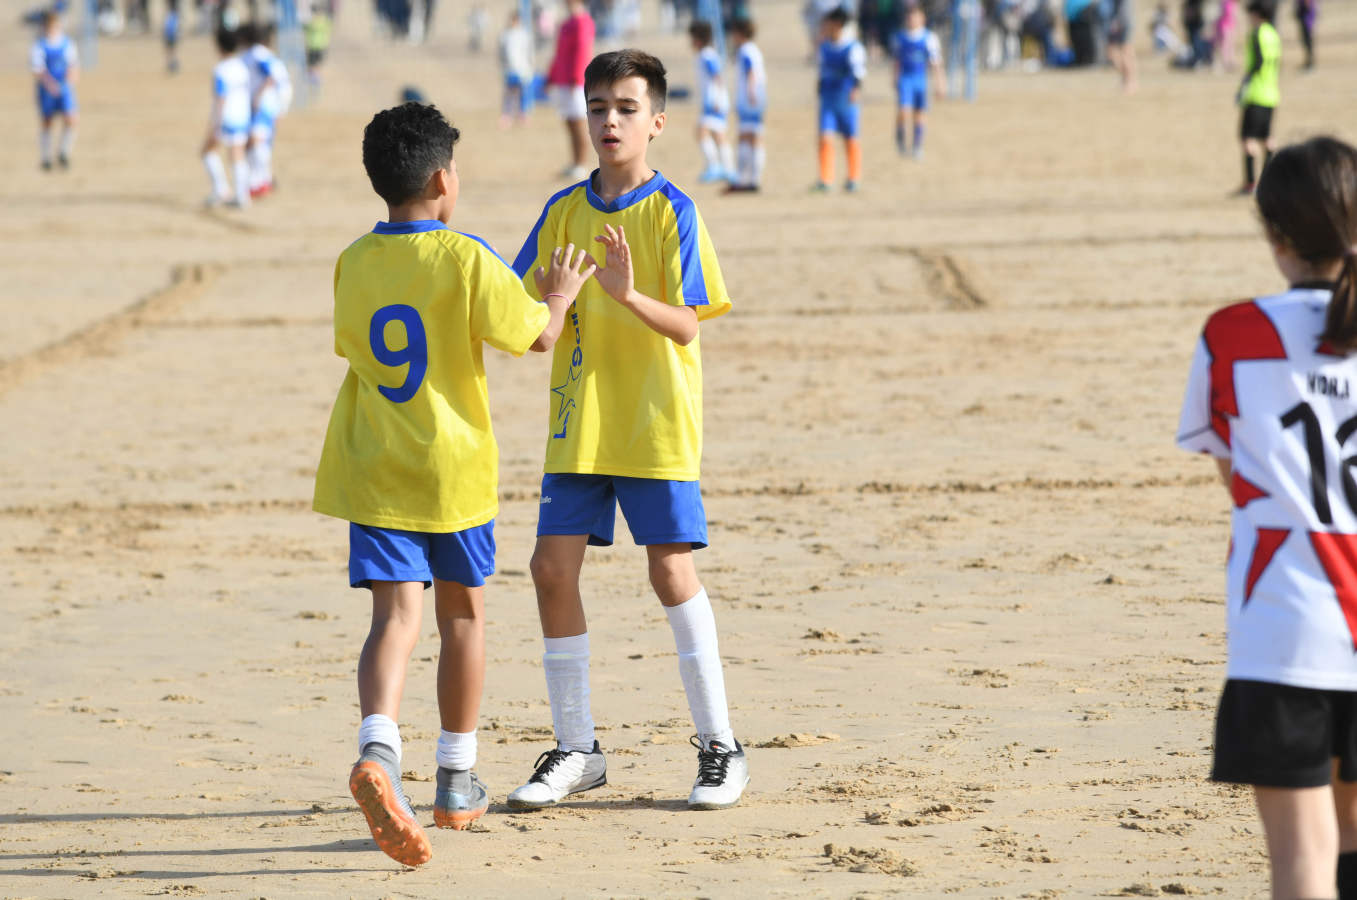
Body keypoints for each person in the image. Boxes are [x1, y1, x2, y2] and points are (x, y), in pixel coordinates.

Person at [313, 101, 593, 866]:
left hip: (373, 464)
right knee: (461, 617)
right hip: (450, 471)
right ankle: (456, 777)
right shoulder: (465, 256)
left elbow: (354, 343)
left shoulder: (354, 259)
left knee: (393, 618)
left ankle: (378, 749)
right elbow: (533, 333)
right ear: (443, 179)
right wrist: (559, 292)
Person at [506, 48, 749, 813]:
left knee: (669, 572)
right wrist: (557, 300)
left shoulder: (673, 209)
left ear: (657, 122)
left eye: (625, 108)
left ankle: (720, 746)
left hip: (652, 421)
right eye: (599, 107)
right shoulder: (561, 213)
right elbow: (532, 331)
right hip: (579, 422)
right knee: (550, 569)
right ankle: (577, 748)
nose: (610, 121)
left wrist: (625, 294)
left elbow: (687, 323)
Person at [1175, 135, 1357, 900]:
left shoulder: (1232, 333)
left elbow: (1233, 476)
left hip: (1283, 630)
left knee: (1302, 862)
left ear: (1274, 238)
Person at [815, 7, 866, 192]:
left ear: (837, 25)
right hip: (828, 98)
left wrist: (855, 91)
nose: (824, 27)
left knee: (850, 137)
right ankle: (826, 179)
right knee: (825, 137)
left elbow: (858, 73)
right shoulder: (824, 47)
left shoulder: (852, 47)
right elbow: (821, 71)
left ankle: (853, 177)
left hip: (845, 98)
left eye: (827, 23)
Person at [203, 26, 252, 207]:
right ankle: (242, 195)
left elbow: (220, 99)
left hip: (227, 117)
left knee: (207, 151)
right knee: (237, 154)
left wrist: (215, 124)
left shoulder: (221, 70)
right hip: (243, 115)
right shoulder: (241, 66)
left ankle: (221, 189)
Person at [546, 0, 595, 179]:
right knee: (569, 122)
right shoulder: (566, 23)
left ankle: (581, 164)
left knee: (579, 123)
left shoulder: (583, 21)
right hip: (562, 80)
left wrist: (576, 75)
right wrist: (551, 75)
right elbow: (558, 53)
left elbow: (582, 50)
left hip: (575, 81)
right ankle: (574, 162)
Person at [242, 22, 291, 199]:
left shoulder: (256, 54)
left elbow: (272, 74)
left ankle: (261, 181)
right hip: (267, 105)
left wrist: (259, 94)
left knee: (257, 142)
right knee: (256, 143)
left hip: (262, 106)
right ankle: (262, 179)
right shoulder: (259, 54)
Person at [1236, 0, 1280, 195]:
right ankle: (1271, 179)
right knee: (1267, 138)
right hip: (1271, 93)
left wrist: (1244, 85)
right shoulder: (1273, 34)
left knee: (1247, 140)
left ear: (1257, 14)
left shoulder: (1257, 33)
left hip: (1256, 93)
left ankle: (1250, 183)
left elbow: (1258, 62)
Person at [890, 3, 942, 159]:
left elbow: (935, 63)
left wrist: (939, 82)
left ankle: (917, 146)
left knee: (919, 114)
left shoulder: (929, 38)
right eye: (909, 16)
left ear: (922, 18)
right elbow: (896, 61)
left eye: (915, 16)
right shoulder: (900, 38)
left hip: (920, 80)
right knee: (904, 111)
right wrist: (894, 77)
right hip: (906, 79)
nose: (912, 19)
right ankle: (900, 136)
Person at [31, 9, 78, 172]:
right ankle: (46, 157)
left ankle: (64, 153)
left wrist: (69, 80)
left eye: (56, 26)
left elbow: (73, 65)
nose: (53, 29)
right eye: (50, 27)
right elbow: (38, 70)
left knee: (71, 119)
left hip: (64, 87)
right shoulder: (40, 46)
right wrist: (50, 85)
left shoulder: (67, 43)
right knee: (47, 121)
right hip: (47, 90)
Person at [689, 20, 733, 184]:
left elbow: (717, 77)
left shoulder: (706, 55)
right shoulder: (707, 54)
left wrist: (716, 99)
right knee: (718, 134)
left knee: (702, 132)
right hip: (715, 101)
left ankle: (715, 167)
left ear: (697, 39)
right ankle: (727, 169)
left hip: (713, 102)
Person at [727, 16, 766, 192]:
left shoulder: (745, 50)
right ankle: (753, 179)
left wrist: (750, 92)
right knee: (754, 138)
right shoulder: (754, 49)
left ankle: (744, 179)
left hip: (749, 99)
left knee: (747, 137)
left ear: (740, 33)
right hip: (757, 98)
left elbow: (750, 72)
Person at [499, 8, 534, 127]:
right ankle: (506, 115)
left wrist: (530, 67)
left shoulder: (524, 35)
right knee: (509, 93)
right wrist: (503, 66)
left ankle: (523, 114)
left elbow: (529, 52)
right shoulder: (505, 35)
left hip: (522, 69)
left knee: (523, 92)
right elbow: (501, 53)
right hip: (509, 69)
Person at [1106, 0, 1136, 91]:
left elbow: (1123, 7)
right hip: (1119, 21)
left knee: (1124, 52)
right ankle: (1126, 80)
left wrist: (1117, 21)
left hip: (1121, 22)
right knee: (1118, 53)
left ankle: (1130, 82)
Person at [1214, 0, 1240, 70]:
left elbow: (1234, 16)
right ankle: (1225, 62)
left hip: (1232, 26)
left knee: (1231, 45)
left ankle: (1231, 61)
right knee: (1225, 45)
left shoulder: (1234, 3)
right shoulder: (1224, 2)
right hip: (1225, 26)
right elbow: (1223, 14)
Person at [1295, 0, 1316, 69]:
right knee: (1306, 41)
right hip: (1304, 15)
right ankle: (1308, 61)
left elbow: (1307, 3)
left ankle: (1310, 62)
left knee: (1307, 41)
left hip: (1306, 17)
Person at [164, 0, 181, 73]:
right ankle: (172, 63)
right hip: (171, 36)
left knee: (171, 51)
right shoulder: (173, 15)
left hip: (170, 36)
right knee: (172, 51)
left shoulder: (170, 15)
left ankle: (172, 64)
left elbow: (169, 27)